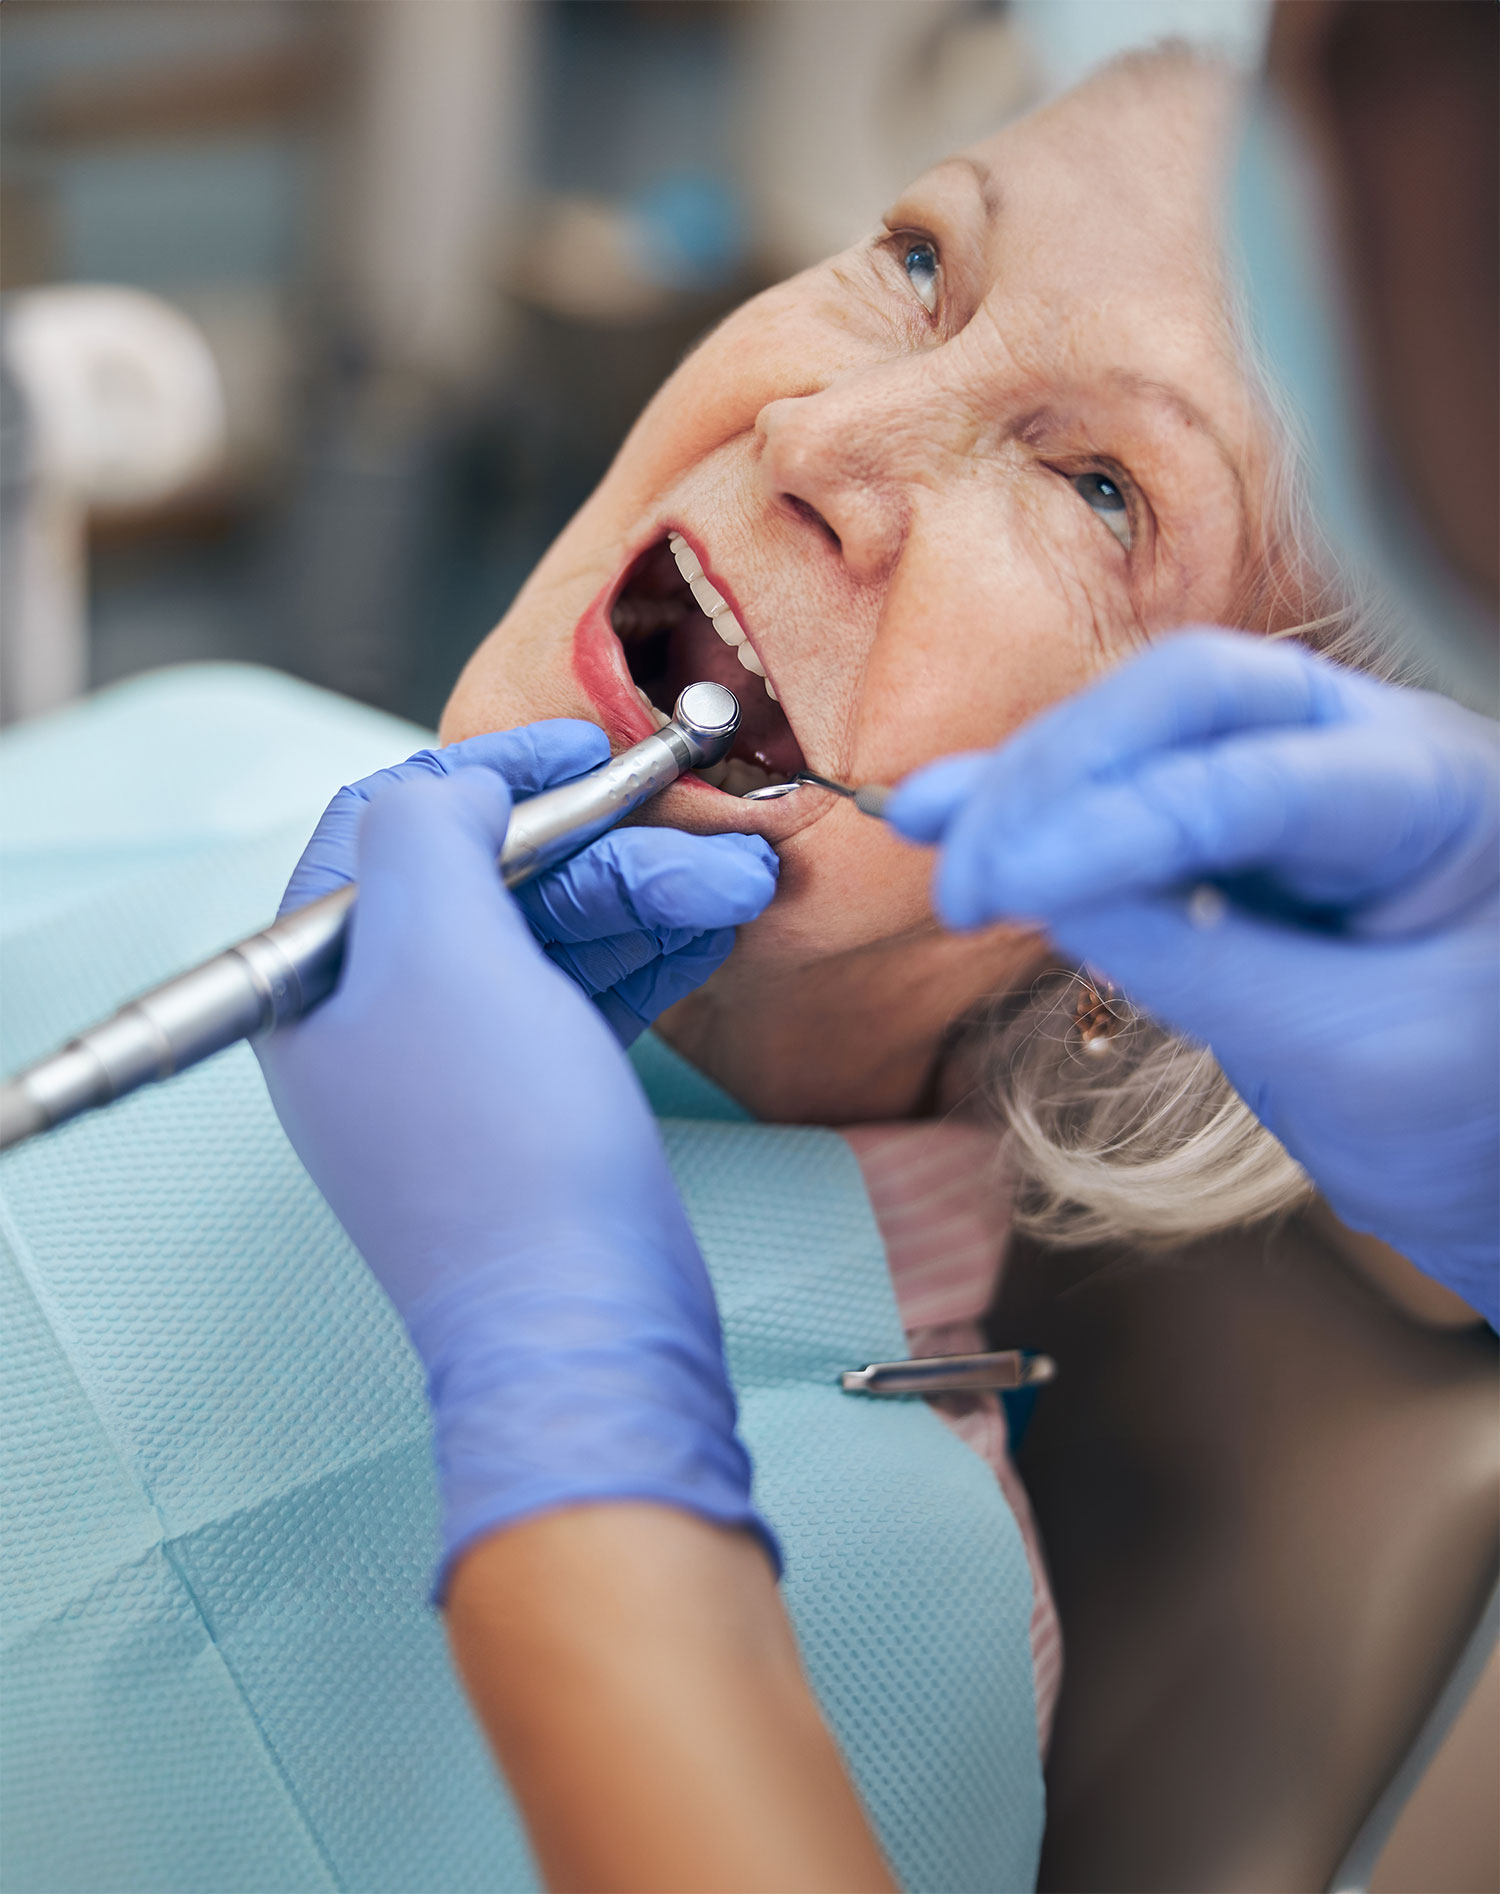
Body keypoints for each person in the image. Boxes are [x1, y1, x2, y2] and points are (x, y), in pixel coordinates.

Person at [257, 20, 1496, 1894]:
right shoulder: (222, 734)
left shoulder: (895, 1643)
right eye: (922, 262)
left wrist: (558, 1371)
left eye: (1100, 493)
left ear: (1211, 870)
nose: (821, 437)